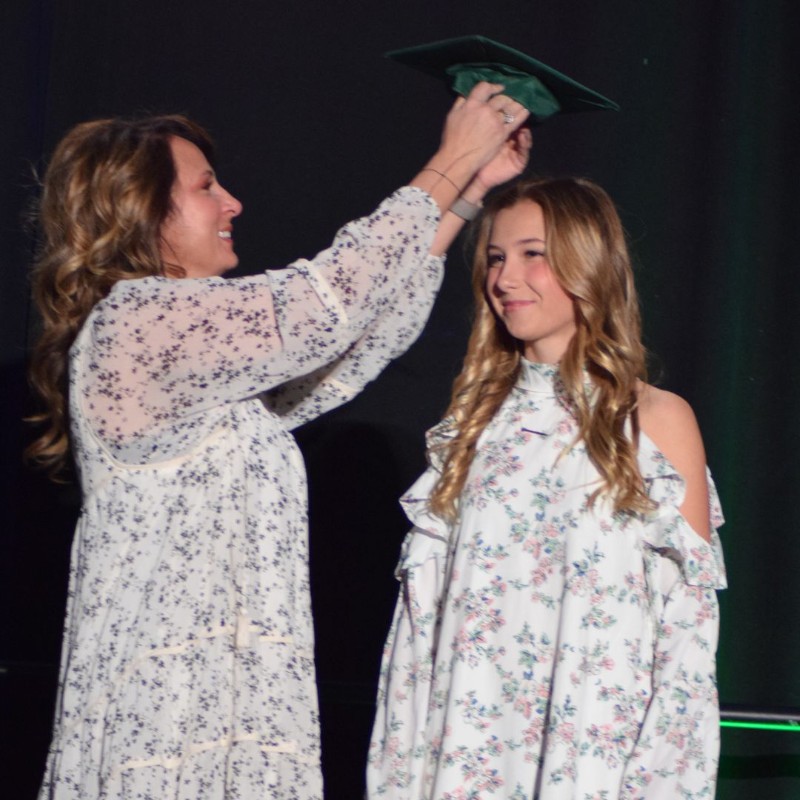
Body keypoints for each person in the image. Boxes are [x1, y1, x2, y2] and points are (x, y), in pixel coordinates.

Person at [27, 83, 532, 799]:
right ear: (143, 213)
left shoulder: (209, 373)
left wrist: (466, 195)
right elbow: (319, 306)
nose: (232, 203)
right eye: (206, 187)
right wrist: (447, 163)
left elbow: (353, 340)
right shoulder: (133, 324)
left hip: (237, 708)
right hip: (167, 715)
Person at [367, 177, 727, 799]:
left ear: (587, 261)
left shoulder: (656, 421)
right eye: (497, 257)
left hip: (593, 769)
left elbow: (688, 636)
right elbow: (417, 639)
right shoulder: (469, 431)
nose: (506, 279)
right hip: (464, 767)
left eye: (532, 253)